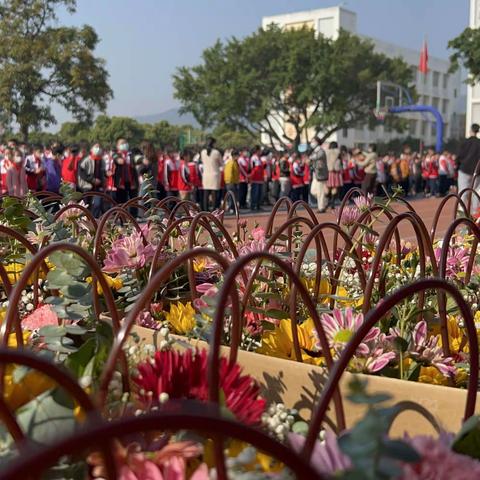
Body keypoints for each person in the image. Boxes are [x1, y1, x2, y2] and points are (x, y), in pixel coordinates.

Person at [456, 123, 480, 208]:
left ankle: (461, 211)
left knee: (463, 192)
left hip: (464, 170)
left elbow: (459, 156)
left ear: (470, 130)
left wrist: (457, 166)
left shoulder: (465, 142)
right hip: (476, 172)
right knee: (475, 192)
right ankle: (474, 213)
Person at [113, 137, 138, 205]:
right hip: (120, 182)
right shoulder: (115, 154)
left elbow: (137, 159)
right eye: (122, 143)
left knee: (134, 201)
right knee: (121, 202)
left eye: (125, 143)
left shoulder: (131, 154)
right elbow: (115, 158)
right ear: (117, 146)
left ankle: (134, 215)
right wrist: (118, 160)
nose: (124, 145)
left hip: (132, 181)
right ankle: (120, 215)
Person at [200, 137, 222, 211]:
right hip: (214, 175)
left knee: (206, 194)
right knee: (214, 194)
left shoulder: (203, 152)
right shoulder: (216, 152)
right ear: (213, 143)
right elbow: (221, 163)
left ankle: (205, 210)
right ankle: (214, 210)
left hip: (206, 175)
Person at [309, 138, 328, 213]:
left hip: (320, 174)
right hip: (315, 173)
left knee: (320, 191)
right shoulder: (315, 151)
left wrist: (310, 158)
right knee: (313, 191)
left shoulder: (321, 150)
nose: (312, 143)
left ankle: (321, 207)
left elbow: (318, 157)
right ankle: (325, 201)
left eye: (313, 141)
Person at [326, 142, 342, 208]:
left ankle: (327, 202)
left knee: (327, 188)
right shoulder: (338, 152)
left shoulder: (326, 152)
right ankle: (332, 202)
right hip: (336, 172)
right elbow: (340, 162)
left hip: (328, 172)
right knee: (335, 188)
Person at [249, 146, 264, 211]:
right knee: (255, 193)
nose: (261, 152)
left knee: (259, 193)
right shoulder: (253, 158)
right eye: (260, 150)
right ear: (257, 150)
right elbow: (252, 169)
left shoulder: (259, 158)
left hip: (260, 178)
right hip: (255, 179)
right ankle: (253, 205)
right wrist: (251, 178)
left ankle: (258, 205)